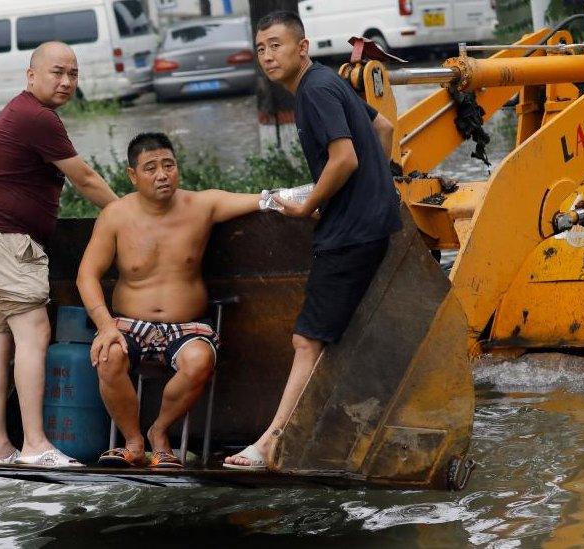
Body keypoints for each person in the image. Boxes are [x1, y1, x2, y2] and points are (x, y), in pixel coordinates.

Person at [223, 11, 401, 470]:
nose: (268, 55)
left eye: (277, 44)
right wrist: (377, 193)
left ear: (302, 48)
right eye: (261, 48)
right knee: (332, 339)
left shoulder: (314, 91)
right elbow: (383, 130)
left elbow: (343, 160)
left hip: (348, 235)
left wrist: (308, 205)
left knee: (307, 341)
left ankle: (271, 443)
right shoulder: (326, 82)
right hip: (369, 225)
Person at [77, 132, 282, 469]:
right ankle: (132, 441)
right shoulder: (115, 215)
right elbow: (87, 275)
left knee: (200, 360)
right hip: (129, 322)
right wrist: (104, 326)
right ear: (132, 174)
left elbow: (265, 200)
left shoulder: (203, 204)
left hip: (187, 326)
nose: (162, 175)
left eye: (169, 165)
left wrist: (311, 199)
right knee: (109, 356)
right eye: (151, 168)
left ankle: (160, 433)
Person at [0, 41, 119, 468]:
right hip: (10, 245)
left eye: (73, 73)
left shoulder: (23, 111)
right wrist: (127, 214)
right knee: (33, 336)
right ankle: (34, 446)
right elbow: (85, 179)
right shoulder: (37, 116)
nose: (66, 81)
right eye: (57, 72)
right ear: (31, 76)